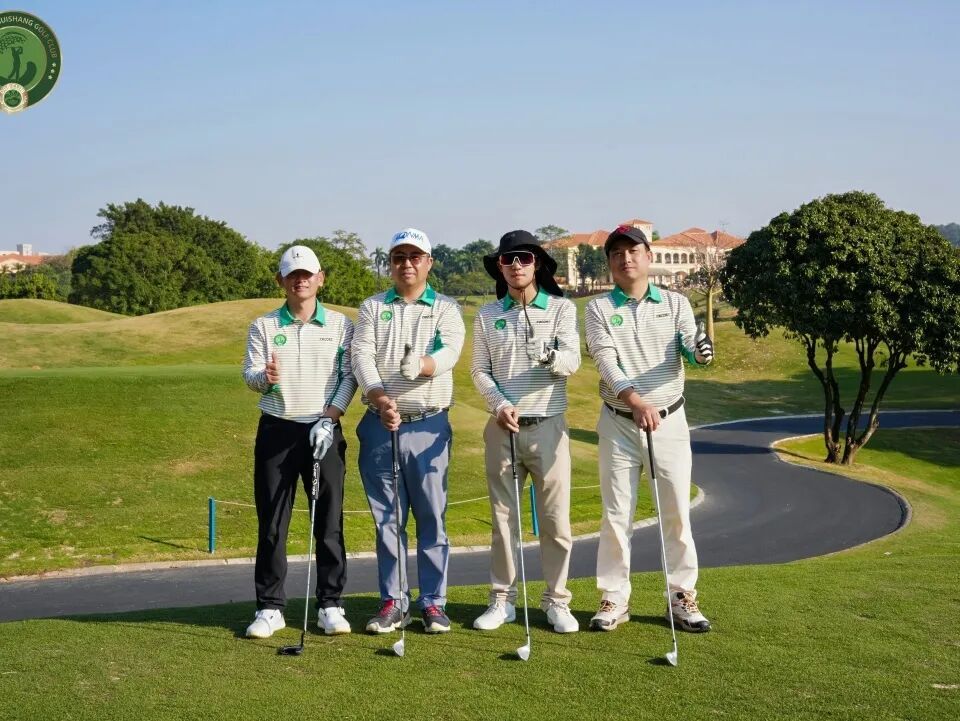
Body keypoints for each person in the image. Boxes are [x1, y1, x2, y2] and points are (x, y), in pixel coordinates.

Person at [584, 225, 714, 633]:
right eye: (617, 253)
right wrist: (636, 401)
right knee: (616, 514)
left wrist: (700, 353)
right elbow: (606, 362)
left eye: (633, 251)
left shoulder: (675, 303)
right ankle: (614, 598)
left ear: (648, 256)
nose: (626, 258)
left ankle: (681, 596)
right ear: (609, 262)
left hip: (669, 421)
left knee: (675, 512)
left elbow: (690, 346)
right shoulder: (597, 309)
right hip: (619, 421)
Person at [351, 228, 465, 635]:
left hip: (429, 424)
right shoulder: (372, 307)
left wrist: (422, 366)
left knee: (431, 516)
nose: (407, 264)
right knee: (388, 520)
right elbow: (361, 357)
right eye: (399, 257)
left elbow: (449, 353)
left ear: (429, 263)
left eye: (415, 257)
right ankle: (393, 601)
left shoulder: (446, 308)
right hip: (379, 424)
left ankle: (432, 602)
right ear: (391, 263)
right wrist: (381, 399)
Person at [241, 245, 358, 638]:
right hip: (277, 429)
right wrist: (265, 378)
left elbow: (348, 377)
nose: (300, 280)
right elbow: (250, 374)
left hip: (324, 428)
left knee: (328, 521)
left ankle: (331, 604)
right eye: (292, 275)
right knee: (272, 522)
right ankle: (269, 607)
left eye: (307, 274)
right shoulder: (263, 326)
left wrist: (331, 417)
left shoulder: (341, 326)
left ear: (320, 278)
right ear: (281, 281)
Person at [470, 230, 582, 633]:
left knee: (556, 521)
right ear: (500, 267)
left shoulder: (561, 309)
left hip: (549, 426)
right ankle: (502, 599)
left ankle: (556, 601)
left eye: (524, 258)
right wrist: (499, 404)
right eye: (508, 259)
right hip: (503, 428)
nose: (516, 265)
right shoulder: (488, 315)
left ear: (537, 264)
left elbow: (572, 362)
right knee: (503, 521)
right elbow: (479, 370)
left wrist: (550, 356)